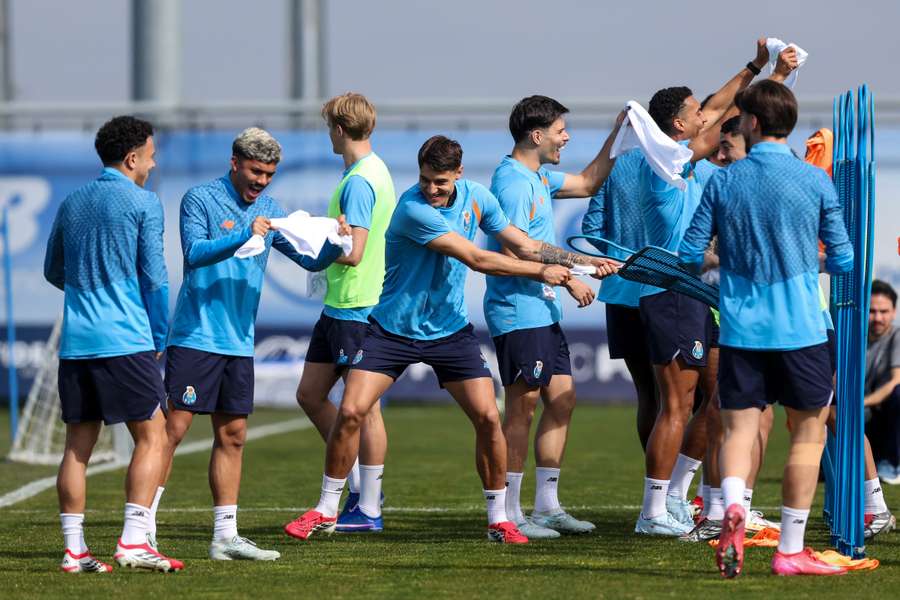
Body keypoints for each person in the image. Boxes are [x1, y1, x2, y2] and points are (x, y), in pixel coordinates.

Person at [283, 135, 618, 544]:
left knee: (488, 417)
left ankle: (499, 520)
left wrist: (583, 264)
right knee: (352, 411)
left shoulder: (477, 197)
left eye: (440, 182)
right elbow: (476, 259)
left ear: (458, 174)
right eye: (426, 179)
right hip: (391, 329)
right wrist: (539, 273)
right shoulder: (411, 209)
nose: (432, 189)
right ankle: (325, 509)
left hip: (450, 333)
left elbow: (524, 244)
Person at [680, 80, 854, 576]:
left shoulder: (722, 181)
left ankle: (732, 504)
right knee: (807, 435)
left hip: (742, 328)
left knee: (738, 428)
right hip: (802, 326)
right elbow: (842, 257)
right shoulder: (816, 180)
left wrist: (734, 255)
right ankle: (791, 551)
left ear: (752, 123)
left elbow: (692, 255)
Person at [157, 127, 345, 561]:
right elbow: (194, 253)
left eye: (269, 174)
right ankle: (142, 528)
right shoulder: (200, 198)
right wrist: (245, 233)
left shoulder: (271, 207)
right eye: (255, 172)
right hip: (195, 334)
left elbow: (307, 260)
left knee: (234, 435)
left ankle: (225, 537)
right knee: (174, 430)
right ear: (235, 163)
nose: (261, 181)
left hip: (239, 342)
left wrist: (336, 244)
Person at [634, 39, 773, 537]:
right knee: (676, 406)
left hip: (687, 294)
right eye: (695, 112)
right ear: (678, 125)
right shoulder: (671, 157)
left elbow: (726, 113)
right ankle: (654, 511)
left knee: (706, 403)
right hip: (671, 291)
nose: (705, 116)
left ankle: (672, 500)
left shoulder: (690, 162)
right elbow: (721, 110)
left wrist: (767, 76)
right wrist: (757, 68)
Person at [44, 115, 183, 573]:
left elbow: (52, 270)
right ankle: (132, 541)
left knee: (77, 448)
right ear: (132, 158)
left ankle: (75, 551)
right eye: (151, 153)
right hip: (125, 338)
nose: (154, 162)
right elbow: (155, 279)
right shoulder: (144, 202)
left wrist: (89, 288)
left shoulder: (72, 201)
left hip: (77, 342)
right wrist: (159, 334)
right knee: (154, 435)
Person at [487, 96, 624, 538]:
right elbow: (519, 248)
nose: (567, 137)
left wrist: (621, 133)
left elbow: (587, 182)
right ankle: (508, 513)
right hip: (518, 311)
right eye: (561, 130)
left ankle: (547, 506)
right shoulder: (512, 183)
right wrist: (576, 272)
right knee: (521, 412)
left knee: (562, 399)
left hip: (541, 310)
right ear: (537, 135)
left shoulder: (539, 175)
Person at [295, 93, 394, 533]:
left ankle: (368, 505)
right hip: (340, 305)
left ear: (338, 129)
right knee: (310, 394)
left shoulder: (360, 179)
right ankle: (356, 480)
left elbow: (353, 253)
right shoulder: (366, 170)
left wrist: (304, 240)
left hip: (360, 304)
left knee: (365, 410)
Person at [865, 280, 900, 488]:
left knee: (899, 394)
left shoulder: (897, 336)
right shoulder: (853, 336)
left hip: (880, 414)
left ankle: (892, 464)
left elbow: (897, 380)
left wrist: (860, 404)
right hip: (859, 417)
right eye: (872, 311)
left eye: (884, 311)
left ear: (894, 312)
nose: (878, 317)